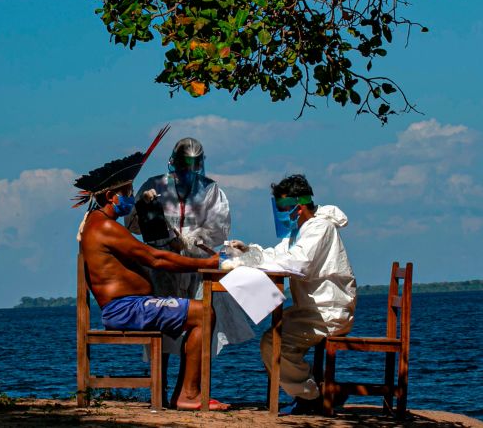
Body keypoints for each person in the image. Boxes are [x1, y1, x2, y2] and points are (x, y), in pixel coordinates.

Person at [74, 145, 229, 411]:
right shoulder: (106, 227)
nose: (130, 197)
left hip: (131, 305)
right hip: (126, 309)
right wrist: (206, 263)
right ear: (111, 196)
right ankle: (188, 395)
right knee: (204, 314)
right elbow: (156, 258)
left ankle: (182, 392)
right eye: (126, 193)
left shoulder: (98, 223)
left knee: (196, 311)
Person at [224, 174, 356, 415]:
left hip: (328, 311)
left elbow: (299, 263)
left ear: (300, 205)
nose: (283, 213)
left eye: (285, 207)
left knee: (273, 342)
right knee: (273, 337)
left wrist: (252, 263)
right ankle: (307, 388)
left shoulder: (319, 228)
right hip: (312, 309)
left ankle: (311, 396)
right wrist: (249, 252)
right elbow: (278, 254)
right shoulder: (300, 231)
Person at [125, 137, 253, 361]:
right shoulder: (154, 185)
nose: (187, 171)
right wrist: (142, 206)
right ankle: (161, 386)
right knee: (161, 326)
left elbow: (218, 229)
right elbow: (133, 226)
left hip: (197, 268)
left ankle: (188, 388)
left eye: (192, 166)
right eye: (183, 165)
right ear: (173, 162)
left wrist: (187, 242)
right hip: (162, 265)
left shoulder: (210, 190)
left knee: (199, 325)